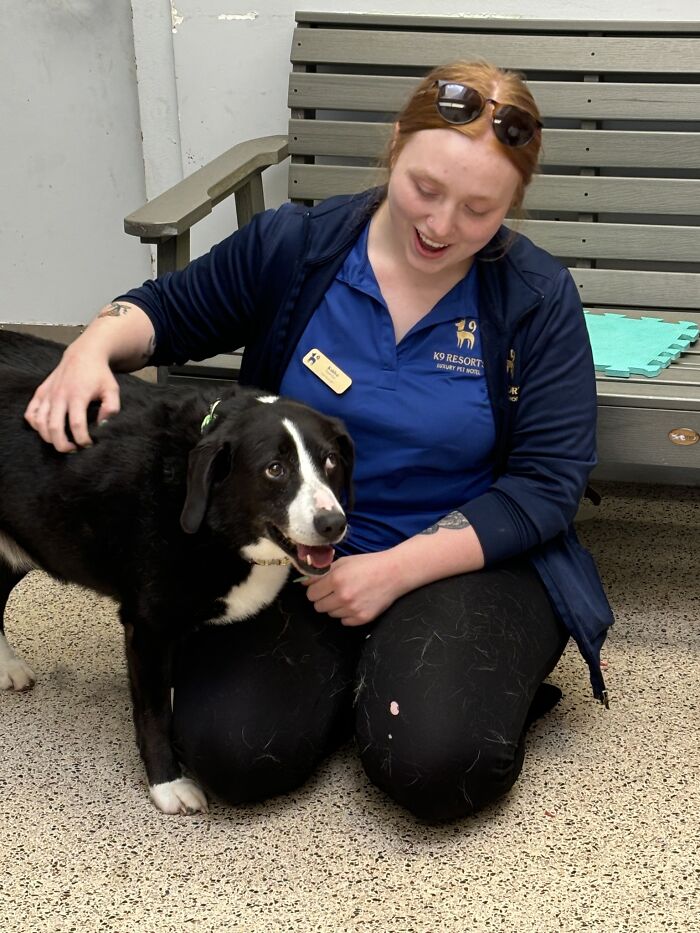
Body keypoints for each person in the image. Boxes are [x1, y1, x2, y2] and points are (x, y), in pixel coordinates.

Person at [24, 61, 614, 821]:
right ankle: (380, 685)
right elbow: (164, 312)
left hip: (462, 554)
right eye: (425, 189)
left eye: (478, 210)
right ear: (395, 146)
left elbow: (547, 485)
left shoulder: (536, 299)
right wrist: (90, 347)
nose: (439, 226)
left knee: (436, 766)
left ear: (513, 206)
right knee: (233, 752)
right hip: (297, 553)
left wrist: (395, 571)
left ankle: (435, 683)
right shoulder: (298, 248)